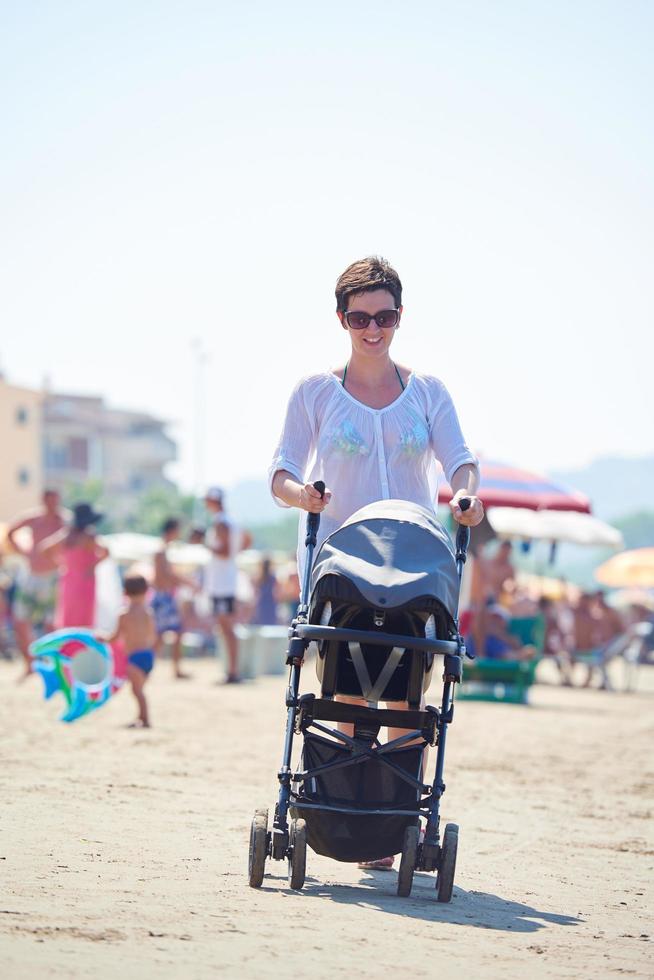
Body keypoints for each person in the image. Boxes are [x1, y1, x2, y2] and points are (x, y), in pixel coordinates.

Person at [269, 256, 483, 869]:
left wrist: (466, 496)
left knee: (407, 697)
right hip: (341, 565)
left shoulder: (429, 393)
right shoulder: (315, 392)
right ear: (341, 318)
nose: (373, 328)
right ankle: (344, 812)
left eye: (385, 315)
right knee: (349, 693)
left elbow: (459, 461)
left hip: (415, 567)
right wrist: (302, 494)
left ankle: (391, 825)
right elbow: (281, 469)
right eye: (360, 316)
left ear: (399, 317)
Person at [7, 489, 66, 676]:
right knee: (20, 621)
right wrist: (23, 552)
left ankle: (52, 665)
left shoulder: (64, 520)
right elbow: (10, 531)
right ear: (43, 500)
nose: (52, 504)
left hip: (53, 576)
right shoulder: (34, 519)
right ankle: (30, 663)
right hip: (31, 575)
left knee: (51, 624)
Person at [40, 502, 109, 630]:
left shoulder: (67, 535)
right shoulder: (90, 536)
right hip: (85, 581)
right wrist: (92, 566)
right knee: (84, 620)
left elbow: (45, 548)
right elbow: (106, 551)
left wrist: (61, 564)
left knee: (68, 616)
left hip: (69, 580)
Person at [104, 574, 156, 728]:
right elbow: (152, 635)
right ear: (146, 591)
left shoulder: (124, 614)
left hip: (134, 657)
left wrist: (102, 638)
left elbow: (115, 637)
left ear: (124, 592)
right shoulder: (148, 613)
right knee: (139, 689)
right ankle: (140, 717)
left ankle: (145, 719)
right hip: (148, 655)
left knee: (136, 691)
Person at [204, 487, 242, 683]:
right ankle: (232, 670)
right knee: (226, 627)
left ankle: (233, 671)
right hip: (225, 581)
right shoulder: (229, 521)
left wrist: (203, 543)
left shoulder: (221, 522)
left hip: (222, 583)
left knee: (226, 627)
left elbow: (224, 551)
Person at [151, 517, 197, 679]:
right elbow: (165, 576)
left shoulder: (163, 550)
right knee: (163, 635)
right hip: (163, 597)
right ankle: (150, 668)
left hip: (165, 597)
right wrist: (186, 581)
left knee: (169, 634)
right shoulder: (161, 550)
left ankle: (171, 669)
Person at [251, 557, 279, 626]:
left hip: (262, 603)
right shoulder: (273, 578)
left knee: (261, 623)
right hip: (270, 603)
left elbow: (255, 592)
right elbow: (277, 592)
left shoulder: (258, 577)